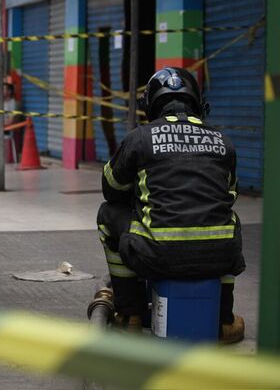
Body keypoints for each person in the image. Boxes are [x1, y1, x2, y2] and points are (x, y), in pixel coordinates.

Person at [97, 67, 245, 343]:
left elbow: (112, 188)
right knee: (227, 219)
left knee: (107, 215)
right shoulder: (224, 142)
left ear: (150, 106)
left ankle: (130, 314)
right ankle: (223, 320)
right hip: (219, 257)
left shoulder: (140, 138)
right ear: (199, 104)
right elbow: (230, 194)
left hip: (156, 256)